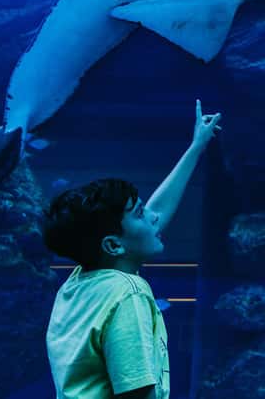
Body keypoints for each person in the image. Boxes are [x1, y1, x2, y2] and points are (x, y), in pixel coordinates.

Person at [43, 101, 221, 399]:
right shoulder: (128, 294)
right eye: (140, 213)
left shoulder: (79, 283)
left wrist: (196, 147)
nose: (153, 218)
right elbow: (136, 394)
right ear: (113, 245)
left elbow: (154, 214)